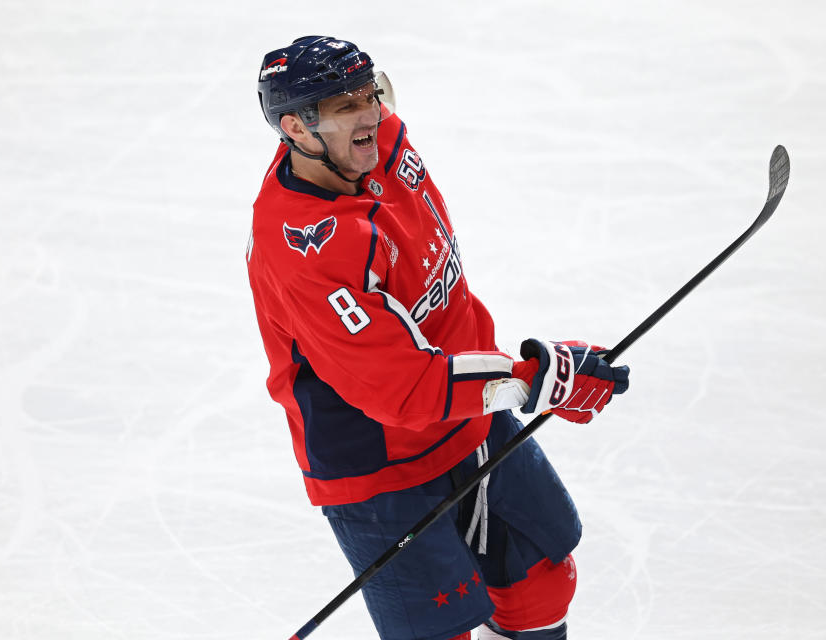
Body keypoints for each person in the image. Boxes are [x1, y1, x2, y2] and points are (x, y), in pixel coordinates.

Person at [246, 36, 630, 640]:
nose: (369, 114)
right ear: (295, 127)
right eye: (344, 106)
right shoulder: (303, 248)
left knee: (540, 583)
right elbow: (399, 388)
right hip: (381, 463)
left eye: (369, 95)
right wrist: (534, 378)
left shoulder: (382, 144)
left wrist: (517, 383)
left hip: (469, 415)